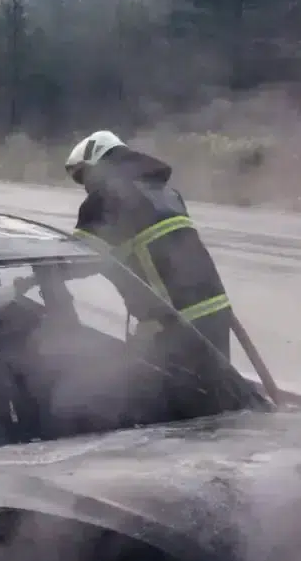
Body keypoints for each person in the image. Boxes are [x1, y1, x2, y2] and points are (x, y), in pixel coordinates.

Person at [64, 130, 261, 413]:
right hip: (216, 311)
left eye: (84, 175)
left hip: (172, 323)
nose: (85, 185)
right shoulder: (167, 194)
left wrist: (33, 277)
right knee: (215, 400)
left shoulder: (105, 199)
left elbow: (74, 257)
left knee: (161, 407)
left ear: (98, 164)